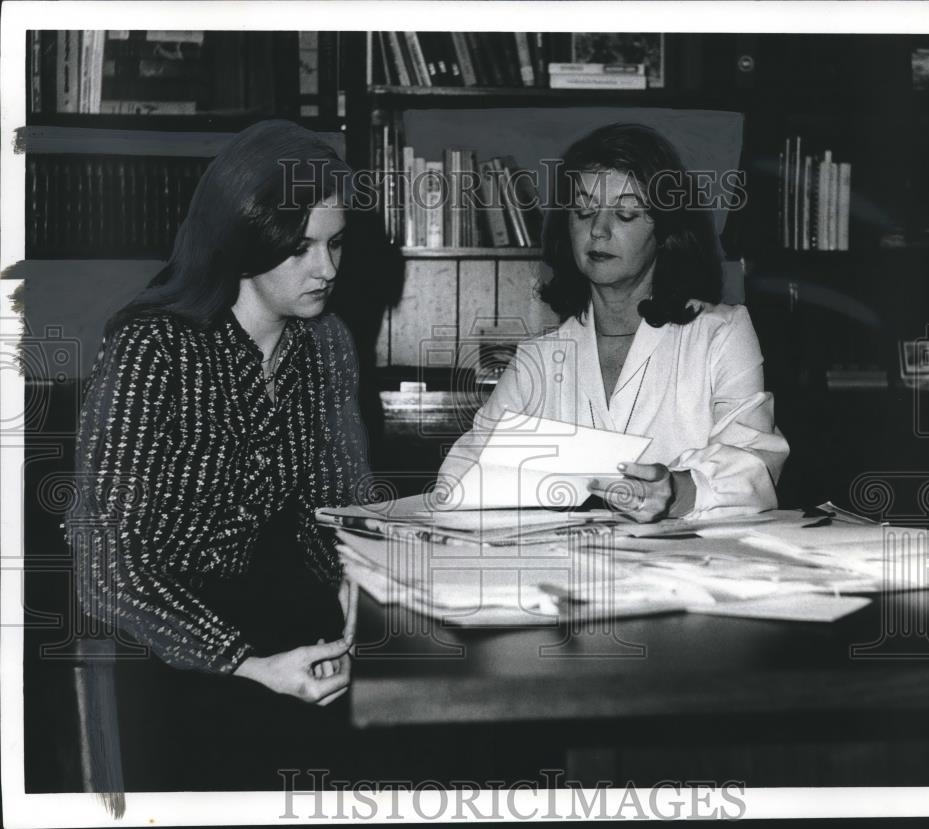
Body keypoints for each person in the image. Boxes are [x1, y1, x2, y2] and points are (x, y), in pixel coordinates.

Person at [65, 120, 370, 790]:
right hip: (155, 637)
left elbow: (339, 508)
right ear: (244, 239)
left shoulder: (326, 344)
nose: (328, 268)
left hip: (270, 613)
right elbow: (107, 568)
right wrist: (248, 665)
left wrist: (359, 589)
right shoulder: (153, 348)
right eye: (303, 248)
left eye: (337, 242)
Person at [439, 123, 789, 521]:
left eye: (625, 213)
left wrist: (674, 491)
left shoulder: (721, 334)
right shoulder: (538, 358)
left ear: (666, 229)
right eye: (584, 210)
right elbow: (460, 476)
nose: (598, 230)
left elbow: (756, 464)